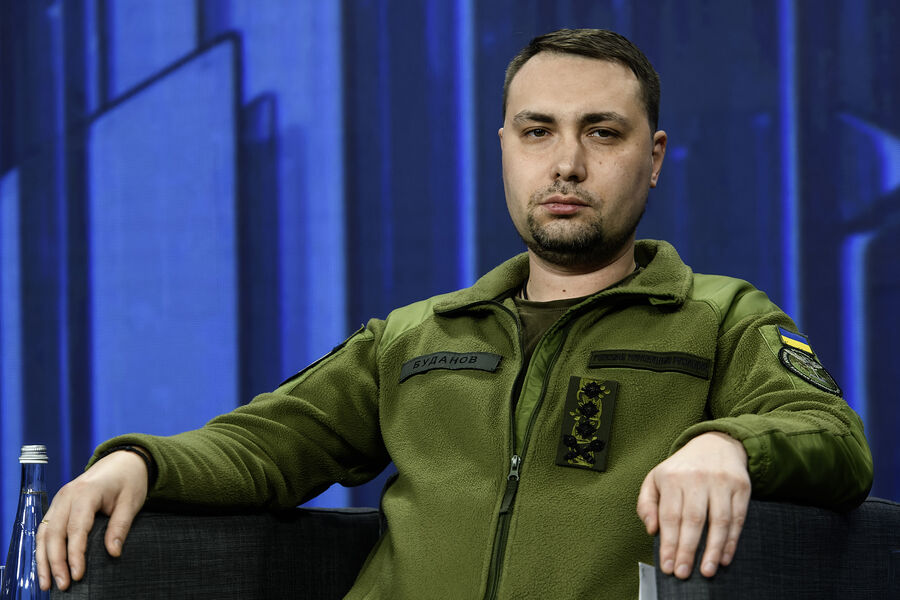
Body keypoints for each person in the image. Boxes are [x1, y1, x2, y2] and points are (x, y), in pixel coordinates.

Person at [36, 28, 872, 599]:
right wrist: (137, 463)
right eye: (538, 131)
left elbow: (832, 436)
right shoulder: (415, 336)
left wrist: (728, 444)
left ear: (652, 158)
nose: (567, 163)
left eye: (602, 133)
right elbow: (263, 444)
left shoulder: (720, 316)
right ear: (504, 148)